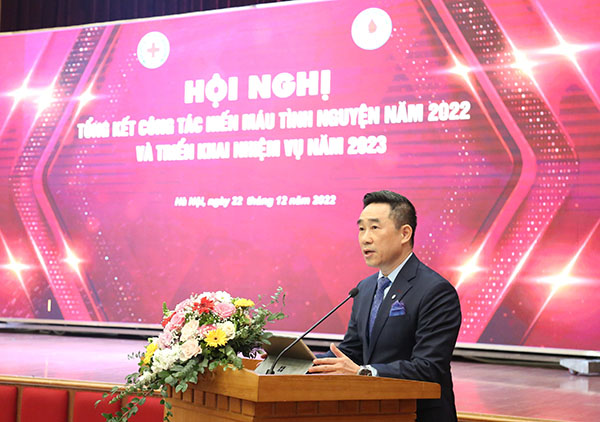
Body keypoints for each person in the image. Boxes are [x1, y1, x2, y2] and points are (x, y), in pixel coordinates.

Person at [308, 190, 462, 422]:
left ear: (405, 233)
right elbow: (352, 351)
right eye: (361, 229)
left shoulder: (435, 291)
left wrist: (363, 372)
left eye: (374, 228)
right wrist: (298, 363)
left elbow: (428, 367)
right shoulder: (365, 288)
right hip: (373, 411)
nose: (365, 238)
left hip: (417, 414)